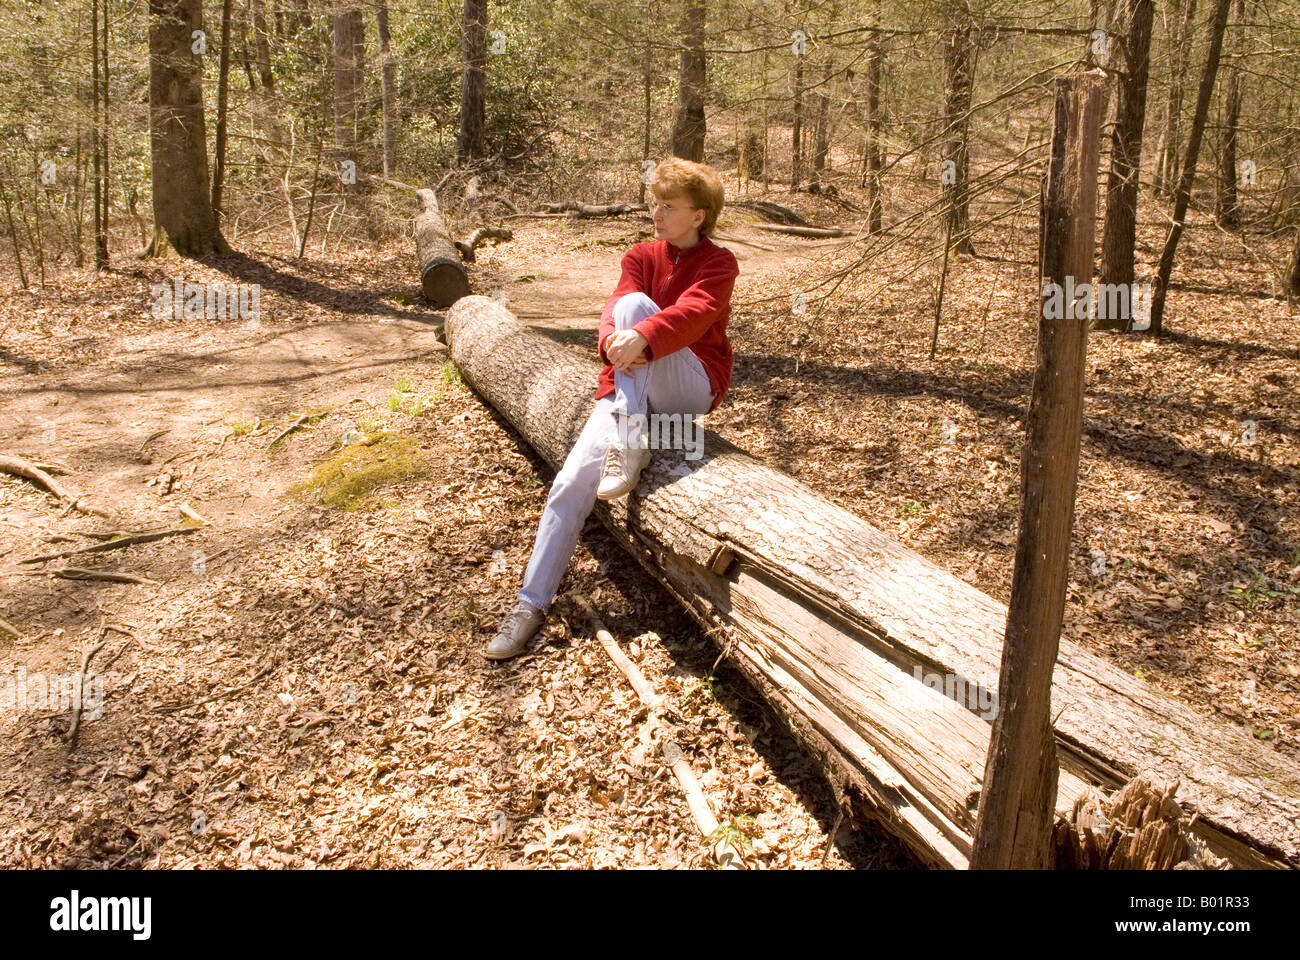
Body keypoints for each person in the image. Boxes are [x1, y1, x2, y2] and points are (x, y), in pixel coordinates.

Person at [486, 157, 740, 660]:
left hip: (691, 385)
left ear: (699, 215)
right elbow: (613, 306)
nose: (656, 214)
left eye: (669, 207)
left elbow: (692, 316)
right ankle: (530, 604)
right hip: (630, 389)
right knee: (569, 483)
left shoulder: (719, 263)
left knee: (636, 312)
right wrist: (615, 346)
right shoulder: (641, 255)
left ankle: (630, 438)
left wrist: (641, 335)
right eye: (654, 204)